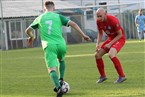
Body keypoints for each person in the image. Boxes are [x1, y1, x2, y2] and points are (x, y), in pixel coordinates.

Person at [25, 1, 90, 97]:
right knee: (61, 60)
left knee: (51, 69)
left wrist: (31, 37)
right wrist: (84, 35)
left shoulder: (40, 18)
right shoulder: (58, 16)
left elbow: (28, 30)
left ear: (44, 9)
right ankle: (61, 79)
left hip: (49, 45)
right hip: (61, 44)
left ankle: (59, 88)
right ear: (54, 8)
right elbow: (73, 24)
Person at [95, 8, 126, 84]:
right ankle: (103, 76)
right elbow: (100, 33)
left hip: (120, 39)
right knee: (97, 55)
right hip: (111, 39)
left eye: (100, 16)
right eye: (97, 16)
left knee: (111, 54)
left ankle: (122, 76)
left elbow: (120, 34)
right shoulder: (98, 22)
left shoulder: (113, 20)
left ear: (105, 14)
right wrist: (97, 43)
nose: (99, 18)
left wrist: (110, 44)